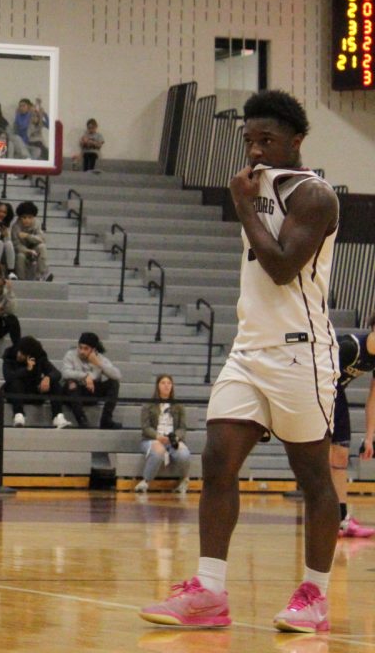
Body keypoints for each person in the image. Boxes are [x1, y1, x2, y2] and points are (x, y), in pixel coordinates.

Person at [141, 90, 340, 634]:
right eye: (249, 140)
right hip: (248, 350)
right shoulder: (256, 185)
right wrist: (249, 201)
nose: (254, 150)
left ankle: (315, 595)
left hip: (301, 353)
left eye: (266, 140)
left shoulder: (314, 195)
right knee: (217, 462)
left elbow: (280, 267)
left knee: (313, 477)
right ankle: (208, 591)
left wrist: (244, 207)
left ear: (296, 141)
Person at [332, 318, 375, 538]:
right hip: (319, 390)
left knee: (339, 457)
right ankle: (335, 519)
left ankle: (340, 518)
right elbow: (315, 371)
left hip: (334, 393)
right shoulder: (350, 346)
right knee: (336, 455)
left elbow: (373, 399)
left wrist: (369, 438)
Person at [135, 374, 191, 494]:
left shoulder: (179, 406)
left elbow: (182, 428)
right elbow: (145, 428)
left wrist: (176, 437)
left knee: (184, 454)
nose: (166, 386)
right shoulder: (148, 405)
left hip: (172, 439)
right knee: (158, 451)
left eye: (169, 383)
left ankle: (184, 480)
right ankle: (145, 481)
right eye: (163, 383)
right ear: (157, 386)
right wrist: (157, 437)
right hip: (152, 438)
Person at [3, 336, 69, 429]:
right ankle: (18, 415)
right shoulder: (10, 355)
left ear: (30, 356)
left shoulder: (39, 357)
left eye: (23, 353)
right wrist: (26, 370)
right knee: (15, 383)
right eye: (19, 351)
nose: (19, 354)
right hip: (16, 392)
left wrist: (48, 378)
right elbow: (8, 377)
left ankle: (57, 416)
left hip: (35, 390)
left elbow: (56, 373)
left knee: (55, 384)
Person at [60, 332, 122, 429]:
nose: (82, 351)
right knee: (71, 383)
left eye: (86, 348)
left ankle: (106, 420)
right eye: (80, 347)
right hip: (74, 393)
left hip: (91, 391)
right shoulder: (70, 355)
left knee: (114, 384)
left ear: (93, 350)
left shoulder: (99, 358)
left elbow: (117, 375)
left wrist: (99, 364)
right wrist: (85, 376)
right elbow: (65, 373)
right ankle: (82, 420)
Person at [10, 201, 51, 282]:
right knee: (20, 256)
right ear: (20, 217)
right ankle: (21, 279)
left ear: (33, 217)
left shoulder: (37, 223)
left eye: (30, 217)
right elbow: (16, 245)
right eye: (24, 217)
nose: (27, 220)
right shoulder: (15, 227)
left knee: (42, 247)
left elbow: (41, 239)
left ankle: (42, 275)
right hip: (22, 251)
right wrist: (28, 251)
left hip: (34, 249)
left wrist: (27, 236)